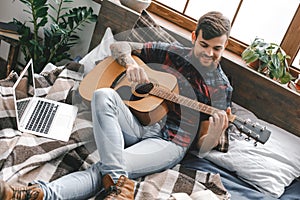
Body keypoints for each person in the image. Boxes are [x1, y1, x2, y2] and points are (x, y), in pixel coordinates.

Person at [0, 11, 232, 200]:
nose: (210, 54)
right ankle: (119, 189)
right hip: (139, 120)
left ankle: (33, 194)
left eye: (217, 48)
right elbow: (119, 47)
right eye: (205, 45)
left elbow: (202, 144)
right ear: (194, 37)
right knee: (102, 95)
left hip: (169, 141)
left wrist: (214, 133)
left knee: (106, 168)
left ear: (225, 45)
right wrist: (130, 64)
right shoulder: (171, 53)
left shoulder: (221, 89)